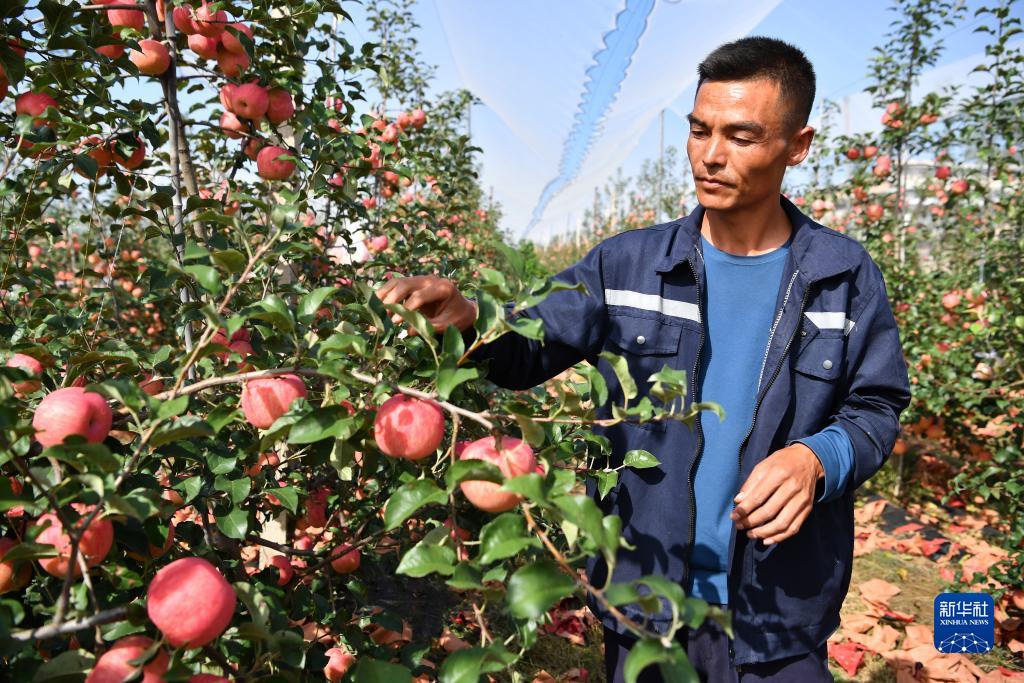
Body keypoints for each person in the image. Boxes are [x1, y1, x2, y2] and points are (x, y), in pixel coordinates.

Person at [376, 36, 911, 682]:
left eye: (741, 136)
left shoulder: (841, 275)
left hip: (780, 613)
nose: (710, 155)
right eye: (699, 130)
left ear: (798, 145)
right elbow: (521, 351)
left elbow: (877, 407)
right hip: (645, 607)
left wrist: (815, 459)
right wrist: (468, 323)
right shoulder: (624, 267)